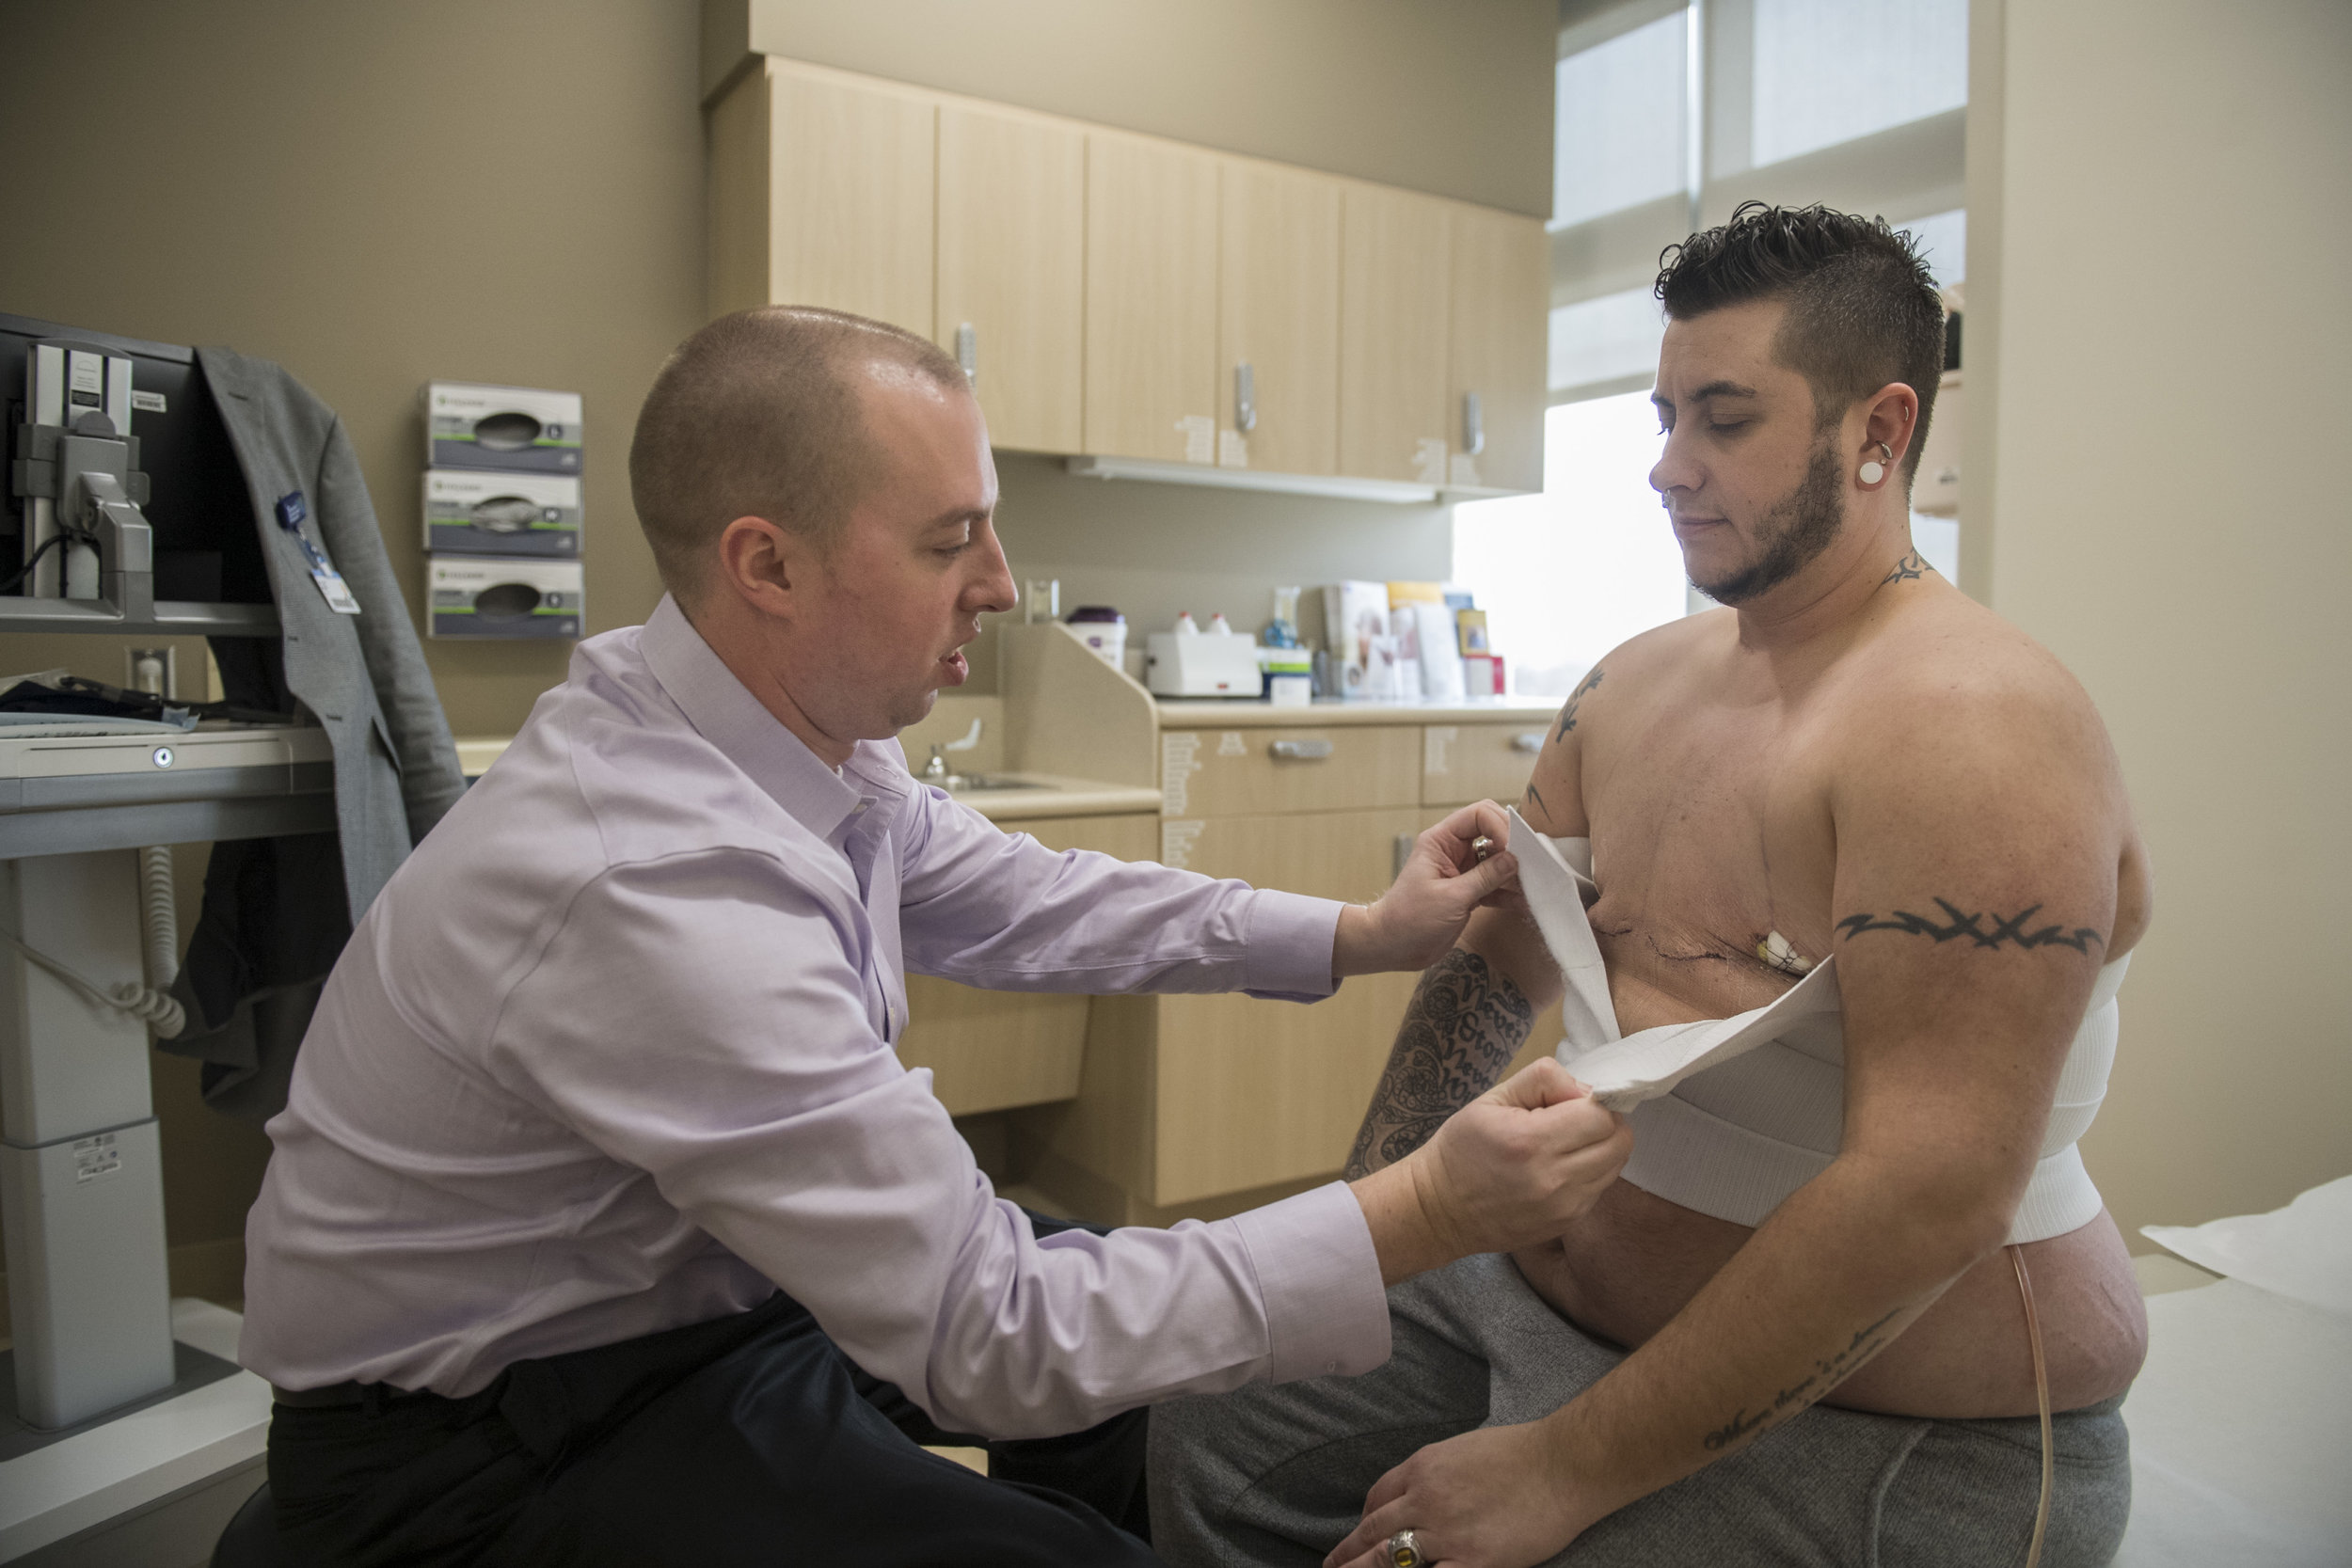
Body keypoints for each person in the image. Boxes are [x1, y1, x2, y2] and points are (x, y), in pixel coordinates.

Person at [236, 305, 1632, 1567]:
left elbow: (1015, 894)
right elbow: (993, 1332)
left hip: (685, 1299)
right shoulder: (647, 881)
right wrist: (1432, 1210)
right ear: (765, 564)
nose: (1003, 583)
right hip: (482, 1446)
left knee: (1140, 1413)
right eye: (948, 537)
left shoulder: (779, 733)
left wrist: (1360, 932)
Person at [1150, 203, 2154, 1568]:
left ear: (1880, 430)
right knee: (1211, 1415)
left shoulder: (1973, 732)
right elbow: (1493, 968)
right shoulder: (1635, 685)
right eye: (1664, 414)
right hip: (1535, 1302)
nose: (1667, 467)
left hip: (1881, 1424)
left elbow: (1936, 1192)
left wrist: (1560, 1471)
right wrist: (1365, 1247)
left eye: (1725, 420)